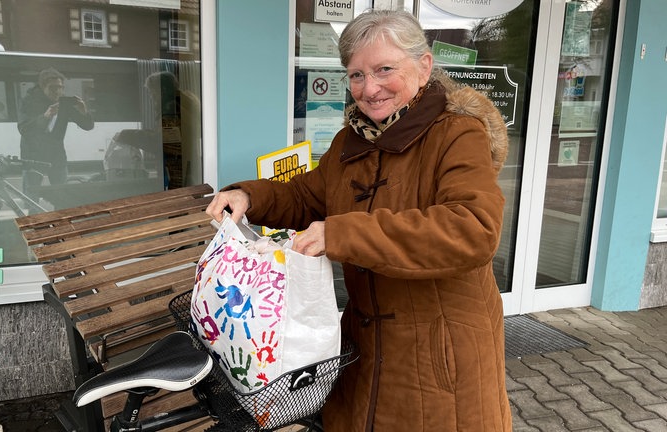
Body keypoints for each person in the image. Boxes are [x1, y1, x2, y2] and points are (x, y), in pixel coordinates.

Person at [206, 9, 511, 432]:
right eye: (356, 75)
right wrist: (248, 196)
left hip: (441, 355)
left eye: (384, 69)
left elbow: (472, 229)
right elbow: (306, 196)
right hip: (363, 347)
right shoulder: (352, 139)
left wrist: (343, 233)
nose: (369, 89)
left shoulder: (457, 134)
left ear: (424, 67)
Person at [17, 67, 94, 195]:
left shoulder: (64, 103)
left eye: (61, 87)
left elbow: (88, 126)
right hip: (33, 156)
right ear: (42, 87)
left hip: (56, 156)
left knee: (62, 195)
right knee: (31, 197)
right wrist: (45, 116)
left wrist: (84, 111)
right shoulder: (28, 101)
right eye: (53, 88)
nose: (58, 91)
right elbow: (24, 128)